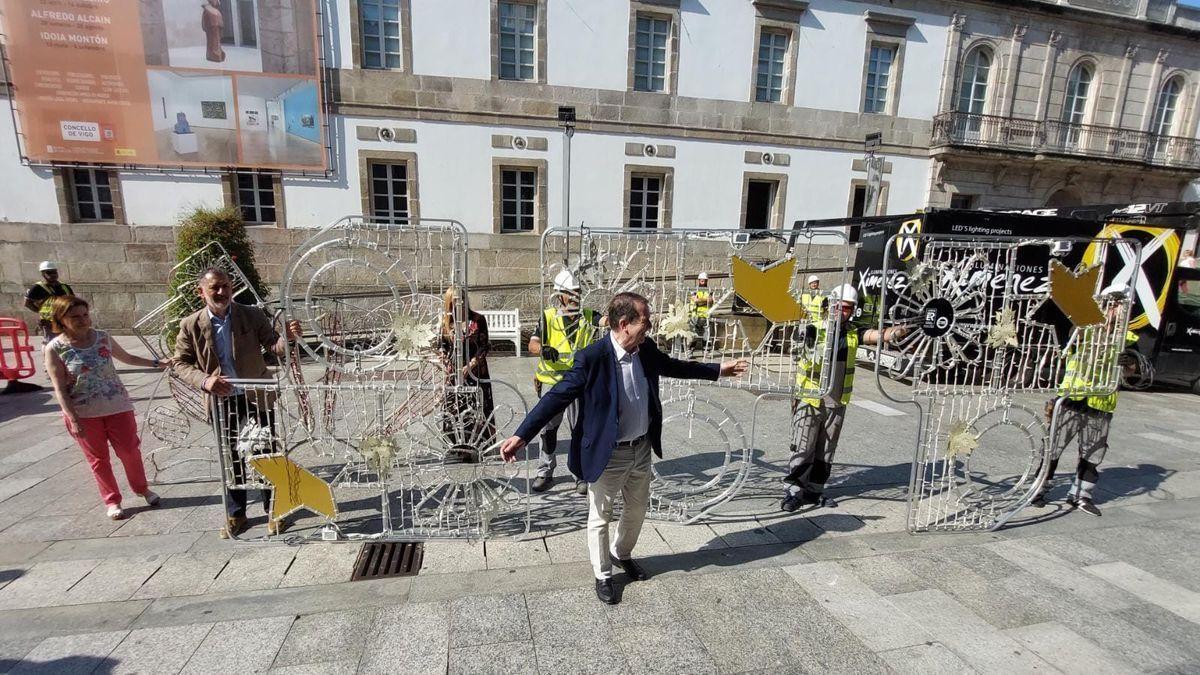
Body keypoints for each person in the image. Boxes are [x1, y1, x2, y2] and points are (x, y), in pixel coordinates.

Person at [499, 292, 748, 605]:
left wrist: (717, 370)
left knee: (637, 509)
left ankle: (621, 553)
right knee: (600, 516)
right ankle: (603, 574)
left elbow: (675, 366)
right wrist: (523, 435)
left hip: (641, 449)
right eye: (645, 321)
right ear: (624, 324)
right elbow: (556, 396)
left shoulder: (645, 351)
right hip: (608, 453)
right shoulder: (591, 358)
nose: (651, 326)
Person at [171, 268, 301, 538]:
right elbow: (180, 363)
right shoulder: (191, 325)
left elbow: (273, 345)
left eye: (225, 286)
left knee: (265, 453)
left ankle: (274, 510)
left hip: (255, 395)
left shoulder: (251, 315)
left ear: (232, 288)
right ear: (201, 292)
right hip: (221, 400)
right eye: (214, 288)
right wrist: (206, 381)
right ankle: (236, 514)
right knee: (230, 458)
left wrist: (287, 338)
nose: (221, 292)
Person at [783, 284, 905, 512]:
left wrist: (904, 329)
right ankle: (794, 492)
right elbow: (799, 350)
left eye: (848, 308)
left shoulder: (852, 333)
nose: (842, 312)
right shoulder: (814, 328)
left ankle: (815, 491)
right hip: (809, 399)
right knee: (802, 447)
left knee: (826, 450)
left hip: (836, 401)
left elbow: (879, 335)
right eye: (838, 307)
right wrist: (805, 339)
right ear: (830, 306)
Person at [44, 296, 166, 520]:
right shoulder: (55, 348)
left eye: (85, 315)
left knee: (130, 451)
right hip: (84, 413)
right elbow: (59, 388)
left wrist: (157, 363)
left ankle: (142, 488)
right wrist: (73, 418)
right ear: (61, 319)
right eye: (75, 317)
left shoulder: (102, 338)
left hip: (117, 406)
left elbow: (128, 357)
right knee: (98, 460)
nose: (82, 320)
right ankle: (112, 500)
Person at [1032, 284, 1138, 517]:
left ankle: (1081, 495)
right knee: (1053, 448)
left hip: (1101, 403)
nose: (1116, 311)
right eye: (1113, 305)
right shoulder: (1084, 329)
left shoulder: (1128, 339)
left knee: (1093, 454)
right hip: (1072, 397)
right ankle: (1038, 489)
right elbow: (1071, 343)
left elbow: (1133, 373)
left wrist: (1129, 362)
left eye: (1121, 306)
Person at [528, 270, 600, 494]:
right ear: (560, 296)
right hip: (553, 383)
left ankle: (579, 474)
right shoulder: (548, 317)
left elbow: (606, 321)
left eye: (578, 292)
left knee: (579, 428)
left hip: (578, 382)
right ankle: (545, 471)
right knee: (548, 429)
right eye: (570, 293)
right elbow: (532, 344)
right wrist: (543, 349)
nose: (575, 297)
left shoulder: (587, 315)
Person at [439, 286, 495, 460]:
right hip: (454, 374)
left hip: (476, 371)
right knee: (455, 408)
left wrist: (470, 365)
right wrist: (446, 363)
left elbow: (485, 346)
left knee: (478, 407)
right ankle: (459, 447)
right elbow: (441, 346)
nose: (459, 302)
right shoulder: (446, 323)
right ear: (449, 302)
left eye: (462, 298)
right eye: (455, 299)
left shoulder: (478, 320)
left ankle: (479, 445)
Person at [25, 261, 74, 342]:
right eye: (49, 272)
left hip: (65, 320)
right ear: (43, 274)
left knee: (67, 342)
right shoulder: (37, 287)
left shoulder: (64, 286)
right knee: (50, 343)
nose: (53, 274)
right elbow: (27, 303)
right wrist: (39, 311)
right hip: (49, 322)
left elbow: (73, 301)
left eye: (54, 272)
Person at [689, 272, 713, 348]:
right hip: (695, 316)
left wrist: (700, 300)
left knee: (706, 335)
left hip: (706, 315)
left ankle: (707, 351)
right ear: (699, 280)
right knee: (694, 335)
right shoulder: (694, 290)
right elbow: (695, 300)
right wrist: (705, 300)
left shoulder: (709, 290)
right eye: (702, 280)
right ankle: (690, 351)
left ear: (707, 281)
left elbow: (711, 300)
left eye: (705, 280)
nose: (703, 281)